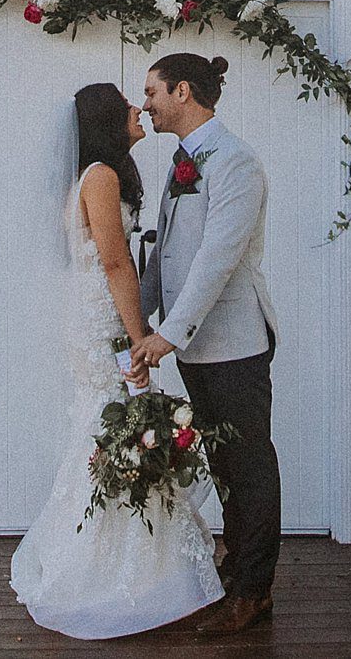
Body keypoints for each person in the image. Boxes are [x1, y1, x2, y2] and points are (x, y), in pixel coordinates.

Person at [9, 81, 225, 639]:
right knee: (114, 429)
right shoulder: (100, 177)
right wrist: (139, 339)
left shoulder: (106, 175)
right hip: (102, 324)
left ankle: (146, 564)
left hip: (103, 320)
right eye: (128, 104)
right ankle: (101, 570)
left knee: (115, 428)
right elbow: (114, 264)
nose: (139, 108)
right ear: (106, 120)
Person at [133, 51, 281, 638]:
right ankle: (235, 572)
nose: (145, 104)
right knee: (221, 464)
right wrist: (135, 317)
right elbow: (165, 248)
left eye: (152, 92)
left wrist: (169, 333)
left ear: (183, 91)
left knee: (248, 466)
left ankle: (254, 590)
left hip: (236, 343)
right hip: (197, 348)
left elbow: (216, 258)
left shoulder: (236, 161)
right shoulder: (182, 162)